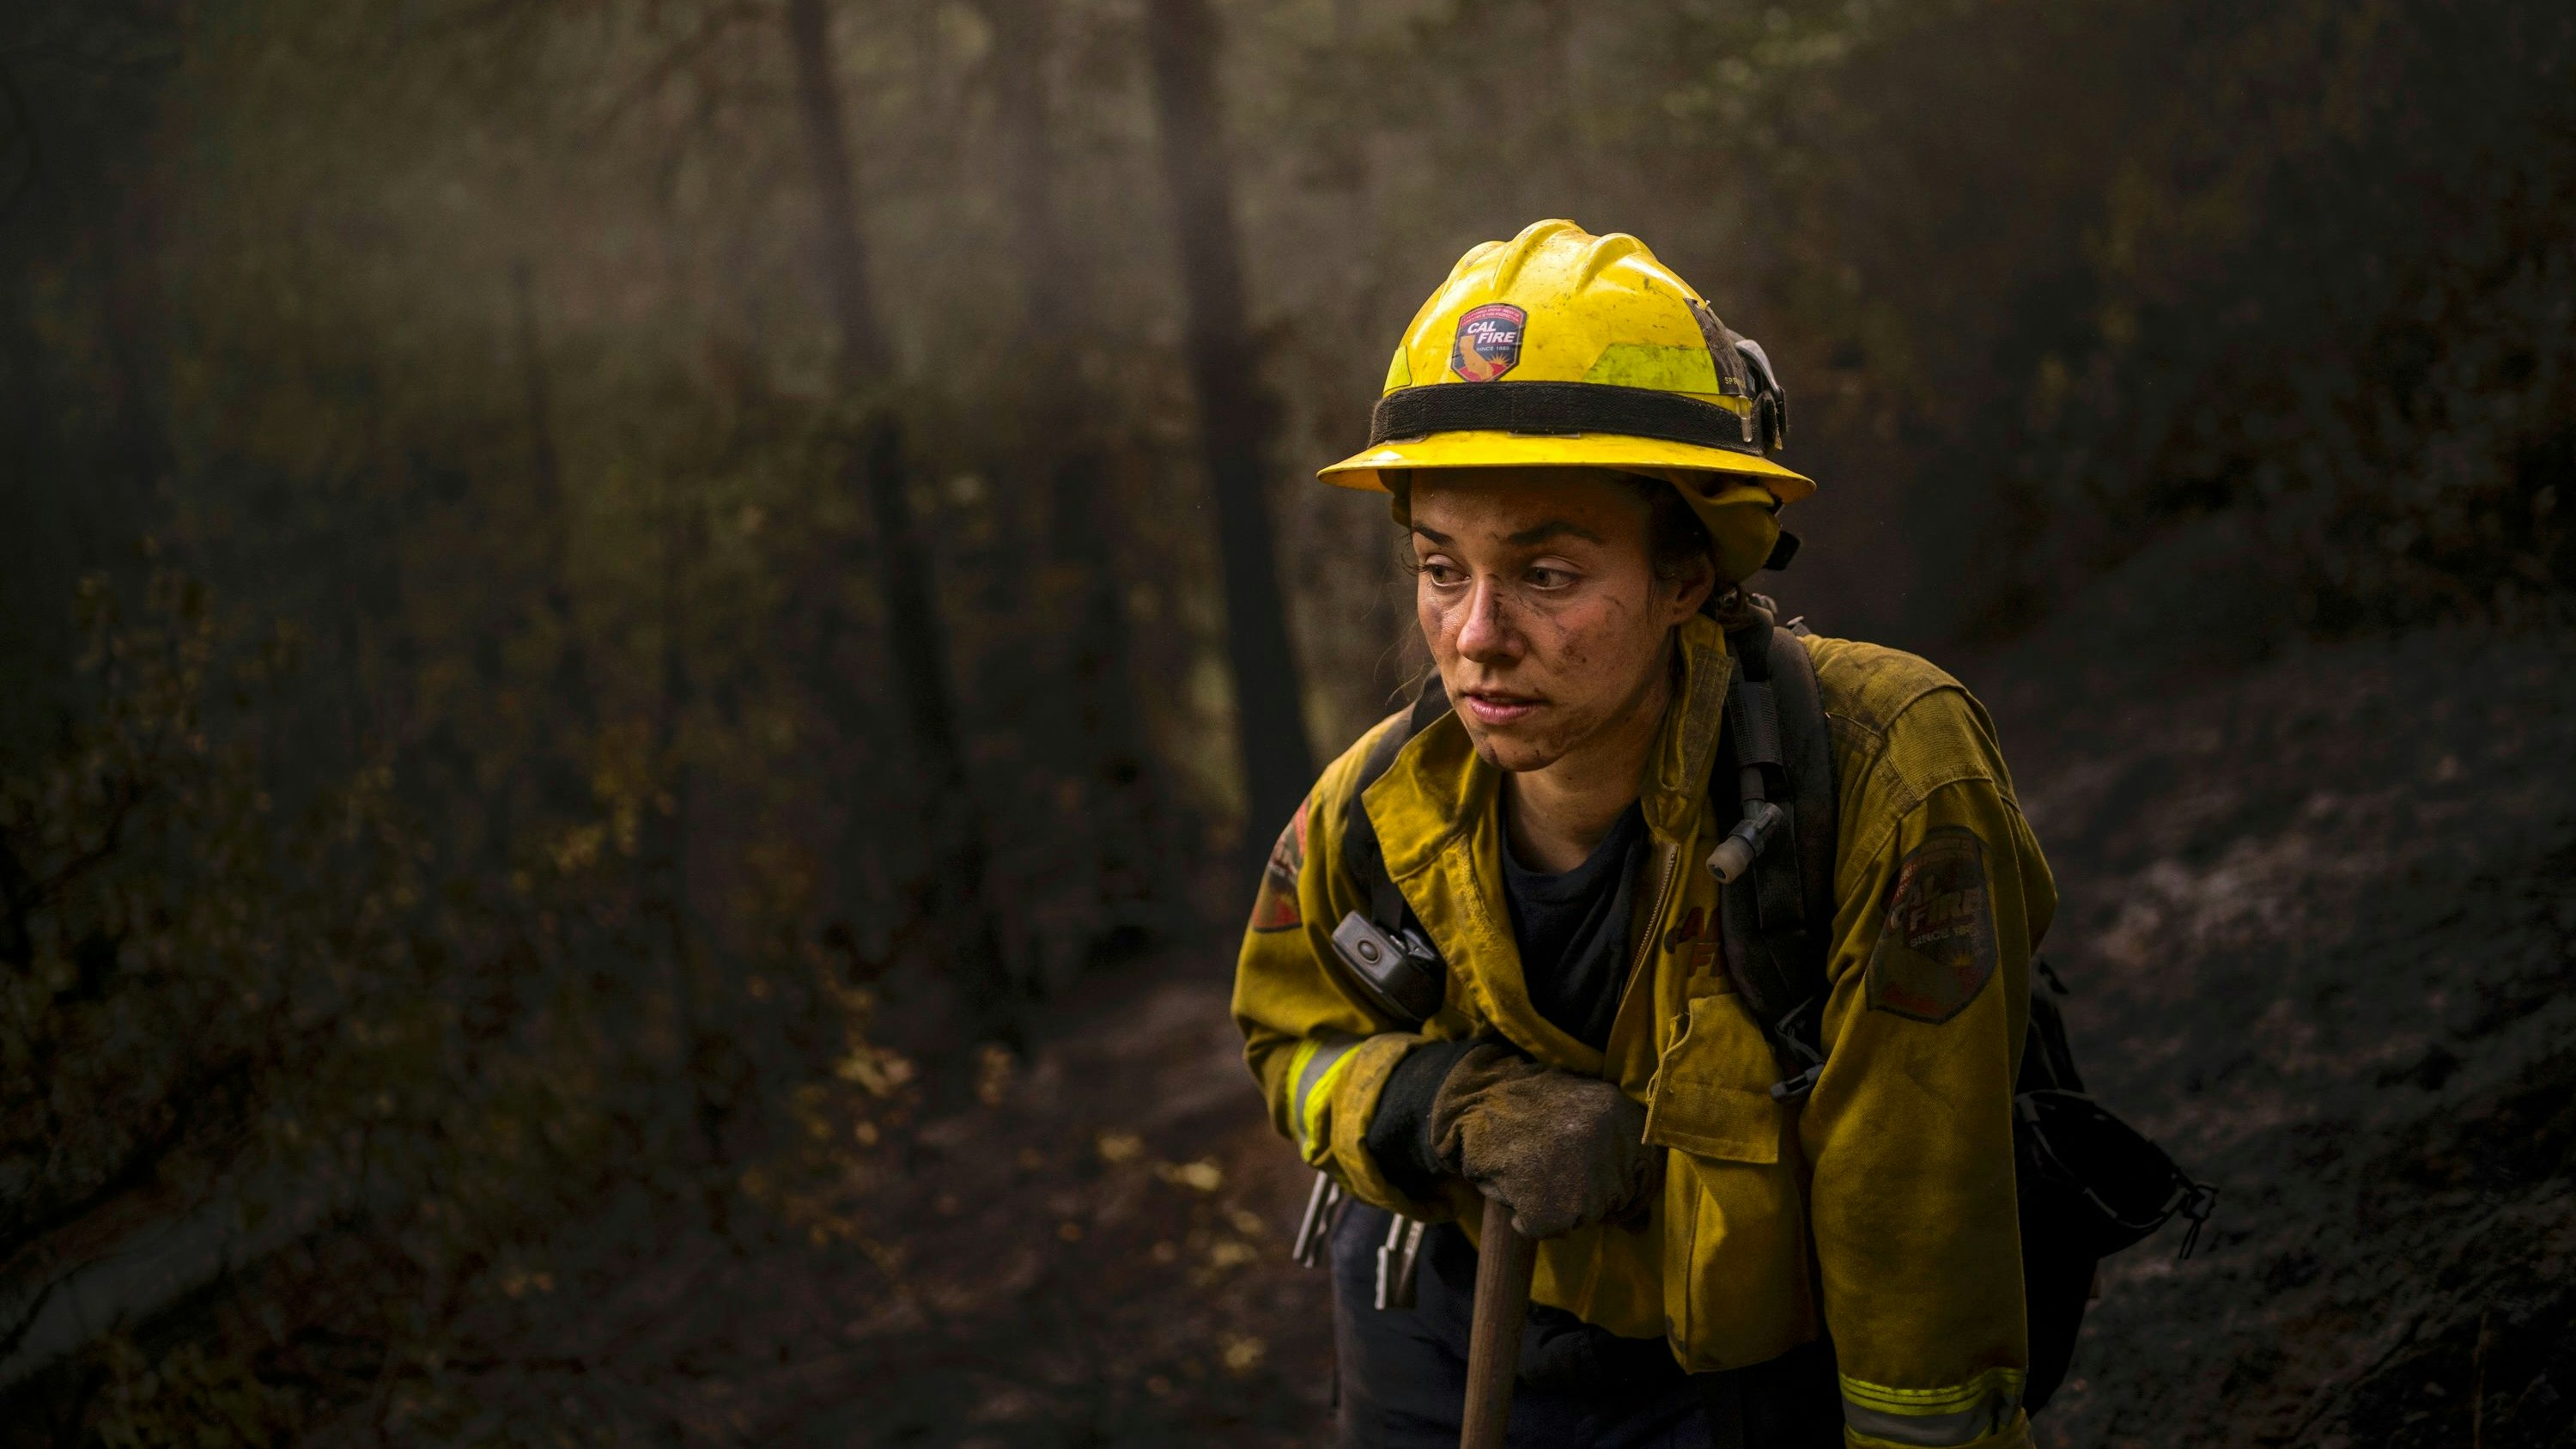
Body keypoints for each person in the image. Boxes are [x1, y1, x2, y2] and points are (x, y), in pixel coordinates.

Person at [1232, 220, 2055, 1449]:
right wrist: (1436, 1102)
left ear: (1686, 578)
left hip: (1728, 1381)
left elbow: (1917, 1233)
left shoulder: (1883, 774)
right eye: (1441, 568)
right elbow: (1288, 1039)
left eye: (1548, 574)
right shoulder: (1377, 806)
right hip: (1440, 1336)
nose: (1474, 636)